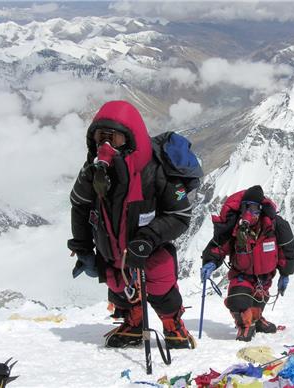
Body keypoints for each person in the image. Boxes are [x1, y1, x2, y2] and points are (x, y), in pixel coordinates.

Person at [67, 100, 195, 349]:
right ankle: (133, 322)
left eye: (112, 138)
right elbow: (80, 206)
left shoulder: (157, 170)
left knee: (160, 282)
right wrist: (83, 248)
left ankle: (172, 323)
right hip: (113, 249)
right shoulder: (92, 172)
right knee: (117, 282)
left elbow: (180, 215)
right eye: (99, 138)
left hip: (149, 250)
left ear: (129, 138)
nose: (104, 145)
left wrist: (148, 239)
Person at [200, 185, 294, 341]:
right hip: (241, 275)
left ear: (261, 209)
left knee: (258, 302)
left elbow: (289, 250)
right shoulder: (234, 227)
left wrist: (285, 273)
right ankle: (245, 326)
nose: (249, 212)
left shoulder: (274, 225)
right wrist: (210, 262)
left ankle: (256, 320)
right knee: (238, 301)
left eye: (253, 208)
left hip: (265, 278)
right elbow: (219, 246)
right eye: (246, 207)